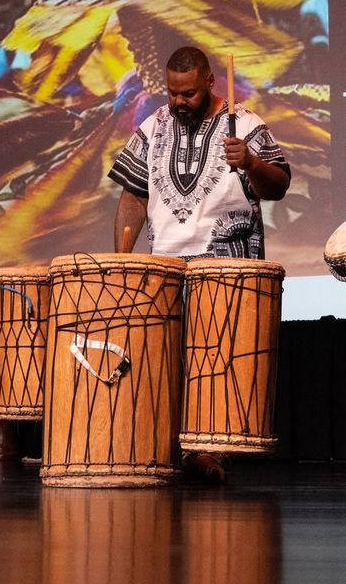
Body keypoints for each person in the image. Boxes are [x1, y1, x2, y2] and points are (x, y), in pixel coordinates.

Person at [109, 45, 291, 481]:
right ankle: (163, 448)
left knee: (215, 362)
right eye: (172, 93)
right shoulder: (152, 128)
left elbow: (280, 185)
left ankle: (210, 450)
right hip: (165, 266)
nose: (178, 102)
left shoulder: (245, 124)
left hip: (225, 265)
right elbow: (133, 197)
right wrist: (122, 262)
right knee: (165, 363)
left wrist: (249, 161)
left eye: (187, 93)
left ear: (210, 82)